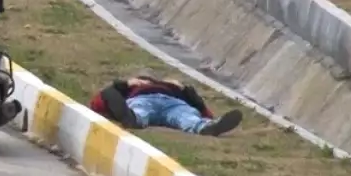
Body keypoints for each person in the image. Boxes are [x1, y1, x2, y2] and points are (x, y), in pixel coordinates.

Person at [88, 72, 243, 137]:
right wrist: (126, 84)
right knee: (141, 111)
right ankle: (133, 119)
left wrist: (185, 89)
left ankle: (205, 128)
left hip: (174, 103)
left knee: (186, 116)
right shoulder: (133, 88)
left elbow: (203, 110)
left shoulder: (172, 88)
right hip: (143, 100)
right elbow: (98, 102)